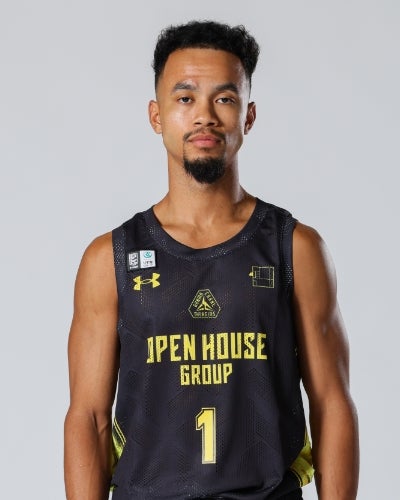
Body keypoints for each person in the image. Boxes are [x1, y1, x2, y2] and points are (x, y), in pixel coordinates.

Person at [64, 20, 359, 500]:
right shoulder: (110, 258)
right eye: (185, 98)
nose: (204, 116)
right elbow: (89, 417)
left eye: (224, 98)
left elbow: (332, 402)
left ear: (249, 116)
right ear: (157, 116)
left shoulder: (294, 248)